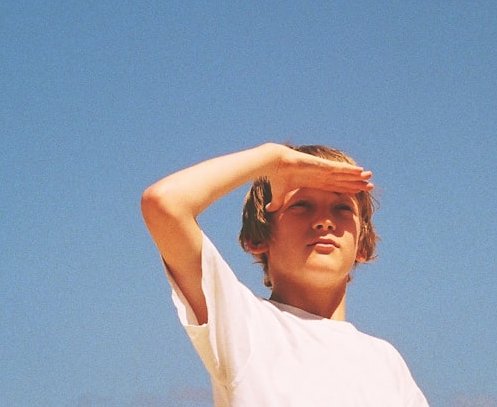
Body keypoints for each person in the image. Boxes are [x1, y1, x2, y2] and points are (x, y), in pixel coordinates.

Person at [141, 142, 430, 406]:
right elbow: (164, 203)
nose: (325, 221)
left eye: (342, 208)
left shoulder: (386, 363)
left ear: (362, 245)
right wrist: (273, 160)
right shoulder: (245, 324)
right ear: (257, 238)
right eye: (301, 205)